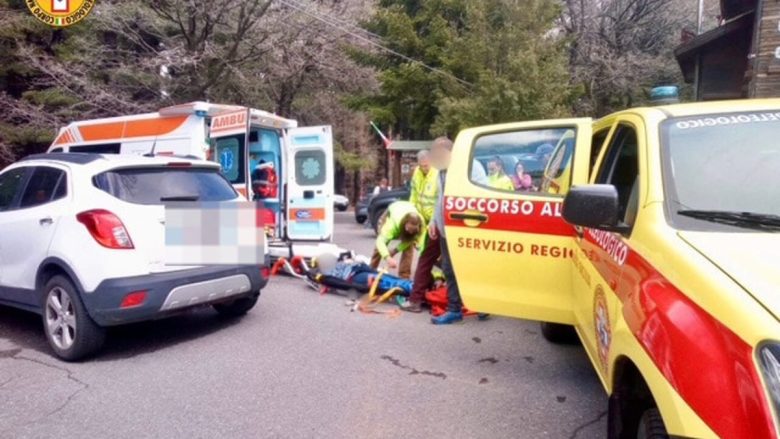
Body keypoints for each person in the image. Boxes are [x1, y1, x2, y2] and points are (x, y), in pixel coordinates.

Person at [370, 200, 424, 279]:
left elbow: (411, 240)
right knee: (380, 247)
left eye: (413, 231)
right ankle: (371, 270)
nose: (411, 232)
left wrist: (395, 251)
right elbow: (380, 242)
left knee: (409, 247)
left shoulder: (421, 224)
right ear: (405, 225)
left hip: (407, 208)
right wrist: (388, 258)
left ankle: (404, 276)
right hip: (392, 212)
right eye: (409, 230)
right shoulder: (391, 227)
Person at [409, 150, 438, 225]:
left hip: (433, 219)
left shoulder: (437, 174)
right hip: (420, 217)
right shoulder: (417, 172)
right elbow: (413, 193)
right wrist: (412, 211)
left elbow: (439, 201)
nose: (424, 168)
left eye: (426, 166)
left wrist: (434, 220)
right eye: (421, 166)